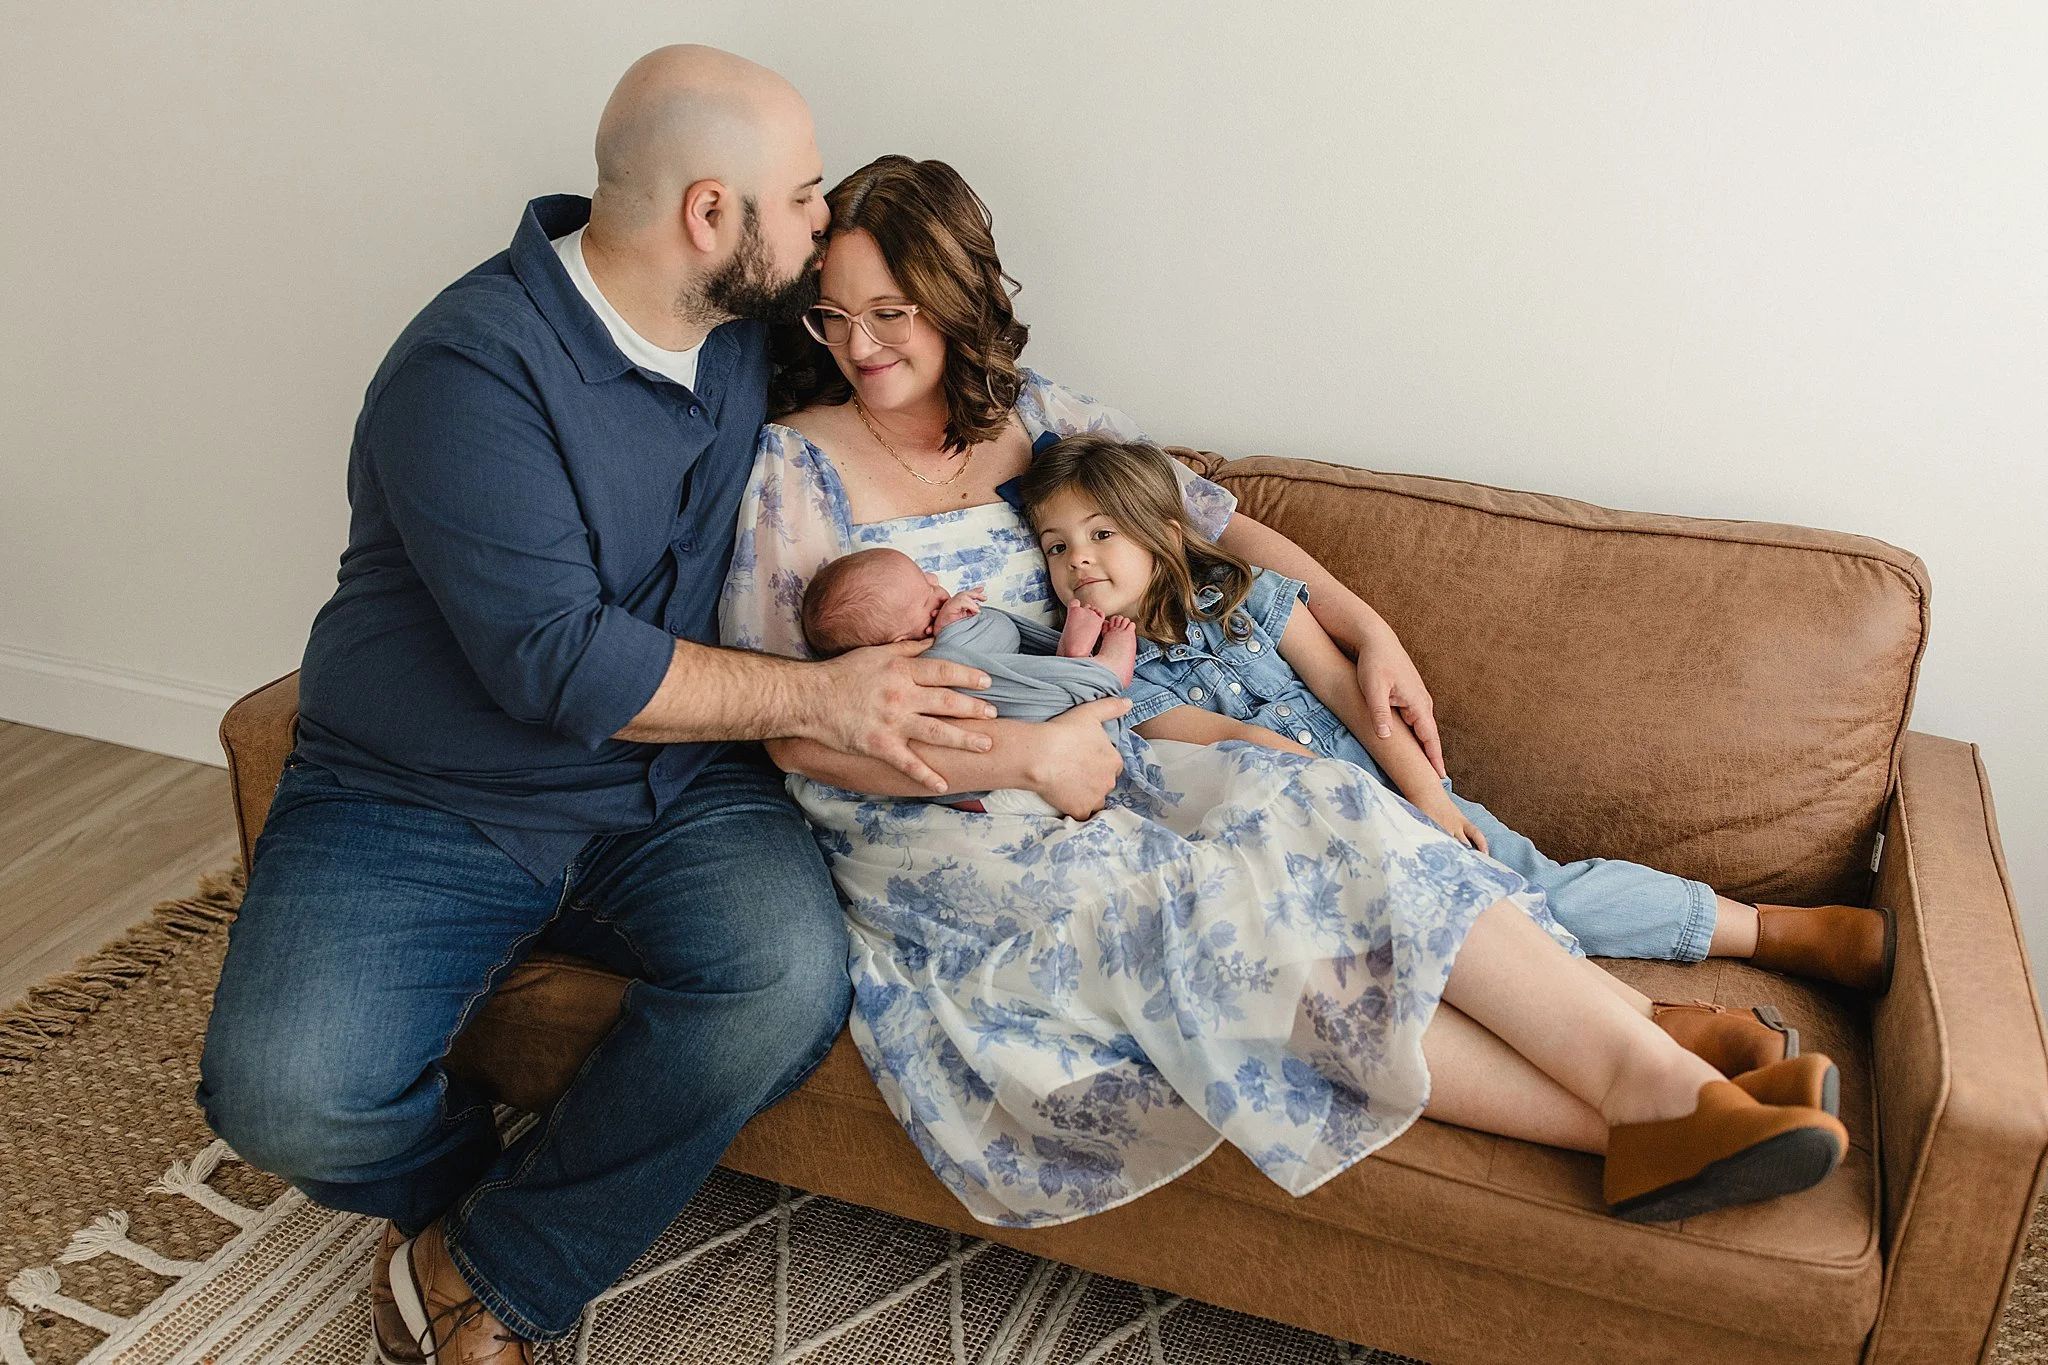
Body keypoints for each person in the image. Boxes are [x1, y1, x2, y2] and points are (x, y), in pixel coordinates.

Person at [717, 154, 1848, 1232]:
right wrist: (1024, 760)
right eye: (833, 315)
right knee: (1202, 924)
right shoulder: (796, 469)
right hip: (944, 809)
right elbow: (789, 732)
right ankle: (1646, 1111)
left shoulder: (1043, 417)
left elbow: (1211, 525)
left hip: (1126, 759)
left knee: (1331, 805)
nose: (857, 345)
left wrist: (1365, 628)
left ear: (954, 297)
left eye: (888, 312)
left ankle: (1657, 1078)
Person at [195, 50, 1014, 1365]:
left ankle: (490, 1261)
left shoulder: (756, 334)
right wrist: (827, 696)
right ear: (709, 214)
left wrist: (1269, 574)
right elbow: (562, 667)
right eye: (802, 199)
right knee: (285, 1100)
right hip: (426, 794)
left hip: (678, 780)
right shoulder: (469, 370)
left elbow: (973, 418)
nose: (819, 229)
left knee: (786, 977)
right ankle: (459, 1188)